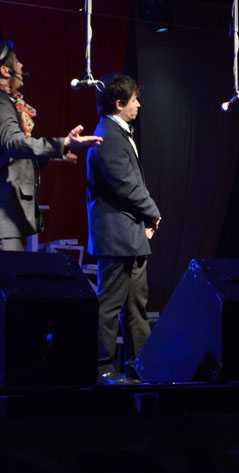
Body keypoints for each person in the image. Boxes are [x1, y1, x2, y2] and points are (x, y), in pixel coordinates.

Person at [87, 74, 159, 385]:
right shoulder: (108, 136)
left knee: (136, 305)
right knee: (110, 305)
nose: (139, 105)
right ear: (119, 104)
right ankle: (103, 366)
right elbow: (125, 185)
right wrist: (153, 211)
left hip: (131, 235)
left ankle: (139, 365)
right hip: (116, 235)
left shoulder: (118, 133)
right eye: (134, 100)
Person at [0, 36, 102, 250]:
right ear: (5, 71)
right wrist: (64, 142)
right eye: (17, 61)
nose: (21, 65)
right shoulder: (1, 103)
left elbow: (11, 156)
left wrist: (57, 153)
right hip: (5, 220)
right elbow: (13, 143)